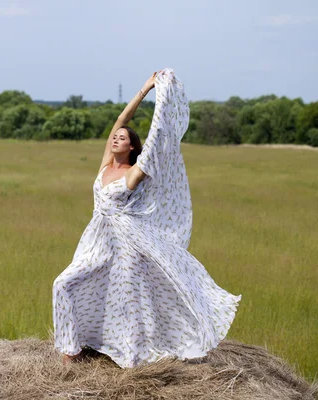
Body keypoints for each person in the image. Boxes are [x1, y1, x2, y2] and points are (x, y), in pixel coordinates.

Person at [52, 69, 241, 368]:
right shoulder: (104, 166)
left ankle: (122, 356)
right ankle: (71, 349)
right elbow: (120, 120)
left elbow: (154, 143)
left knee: (128, 301)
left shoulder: (133, 173)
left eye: (122, 138)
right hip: (95, 241)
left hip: (125, 244)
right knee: (63, 284)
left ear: (131, 147)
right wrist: (143, 89)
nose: (116, 137)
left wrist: (162, 99)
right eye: (115, 137)